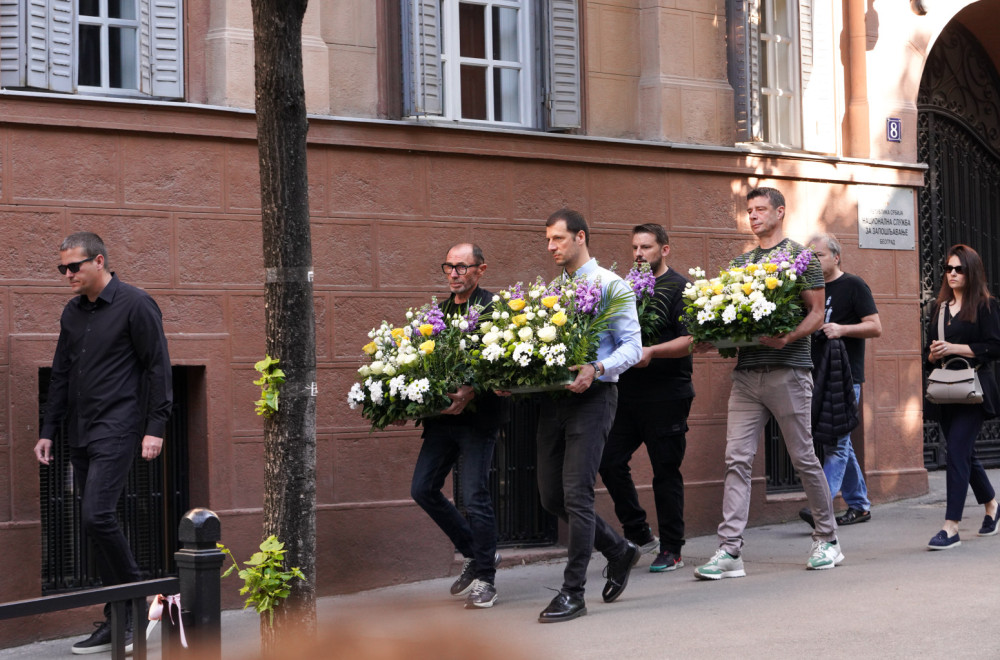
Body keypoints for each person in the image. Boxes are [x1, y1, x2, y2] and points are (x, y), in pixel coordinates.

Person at [693, 187, 843, 580]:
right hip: (746, 375)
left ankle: (827, 539)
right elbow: (733, 317)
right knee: (736, 460)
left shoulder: (801, 257)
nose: (754, 216)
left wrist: (789, 337)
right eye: (750, 211)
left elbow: (815, 312)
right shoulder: (742, 263)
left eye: (761, 210)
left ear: (780, 212)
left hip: (789, 370)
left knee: (803, 457)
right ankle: (729, 551)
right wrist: (711, 335)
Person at [34, 232, 172, 655]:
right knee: (97, 524)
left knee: (96, 515)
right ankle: (119, 618)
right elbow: (60, 374)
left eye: (73, 266)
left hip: (118, 426)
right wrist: (47, 430)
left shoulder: (136, 303)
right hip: (80, 429)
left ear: (98, 261)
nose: (67, 274)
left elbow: (157, 366)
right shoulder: (72, 313)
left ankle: (145, 601)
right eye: (62, 268)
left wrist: (156, 426)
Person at [533, 208, 643, 623]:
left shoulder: (611, 285)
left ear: (580, 237)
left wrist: (596, 368)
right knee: (550, 496)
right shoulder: (553, 289)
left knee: (577, 494)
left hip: (596, 397)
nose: (551, 247)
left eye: (557, 239)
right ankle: (619, 549)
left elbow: (632, 348)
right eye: (548, 240)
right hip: (555, 399)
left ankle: (572, 592)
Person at [409, 243, 505, 607]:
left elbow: (502, 363)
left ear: (481, 270)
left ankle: (486, 579)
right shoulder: (438, 312)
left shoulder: (494, 309)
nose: (453, 273)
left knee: (475, 496)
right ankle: (477, 552)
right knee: (423, 488)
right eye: (449, 266)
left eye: (462, 267)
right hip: (443, 419)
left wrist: (472, 389)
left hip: (479, 419)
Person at [599, 224, 694, 573]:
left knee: (665, 471)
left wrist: (652, 350)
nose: (639, 254)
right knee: (608, 461)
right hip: (625, 392)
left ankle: (672, 548)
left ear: (664, 250)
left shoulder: (681, 287)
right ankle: (638, 532)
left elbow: (692, 339)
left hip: (667, 393)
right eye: (635, 247)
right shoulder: (624, 288)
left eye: (647, 247)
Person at [799, 232, 880, 528]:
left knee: (837, 441)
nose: (813, 261)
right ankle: (859, 505)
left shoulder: (854, 285)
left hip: (845, 377)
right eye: (809, 257)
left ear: (836, 256)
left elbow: (875, 326)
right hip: (815, 374)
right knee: (839, 439)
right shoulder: (807, 290)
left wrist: (841, 330)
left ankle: (822, 503)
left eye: (818, 255)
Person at [924, 244, 1000, 550]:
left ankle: (951, 527)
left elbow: (995, 347)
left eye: (959, 269)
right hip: (945, 391)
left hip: (973, 389)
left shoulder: (986, 306)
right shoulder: (939, 309)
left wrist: (953, 349)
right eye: (948, 269)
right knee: (965, 454)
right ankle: (992, 505)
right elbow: (927, 352)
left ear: (971, 272)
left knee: (955, 452)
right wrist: (932, 354)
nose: (952, 274)